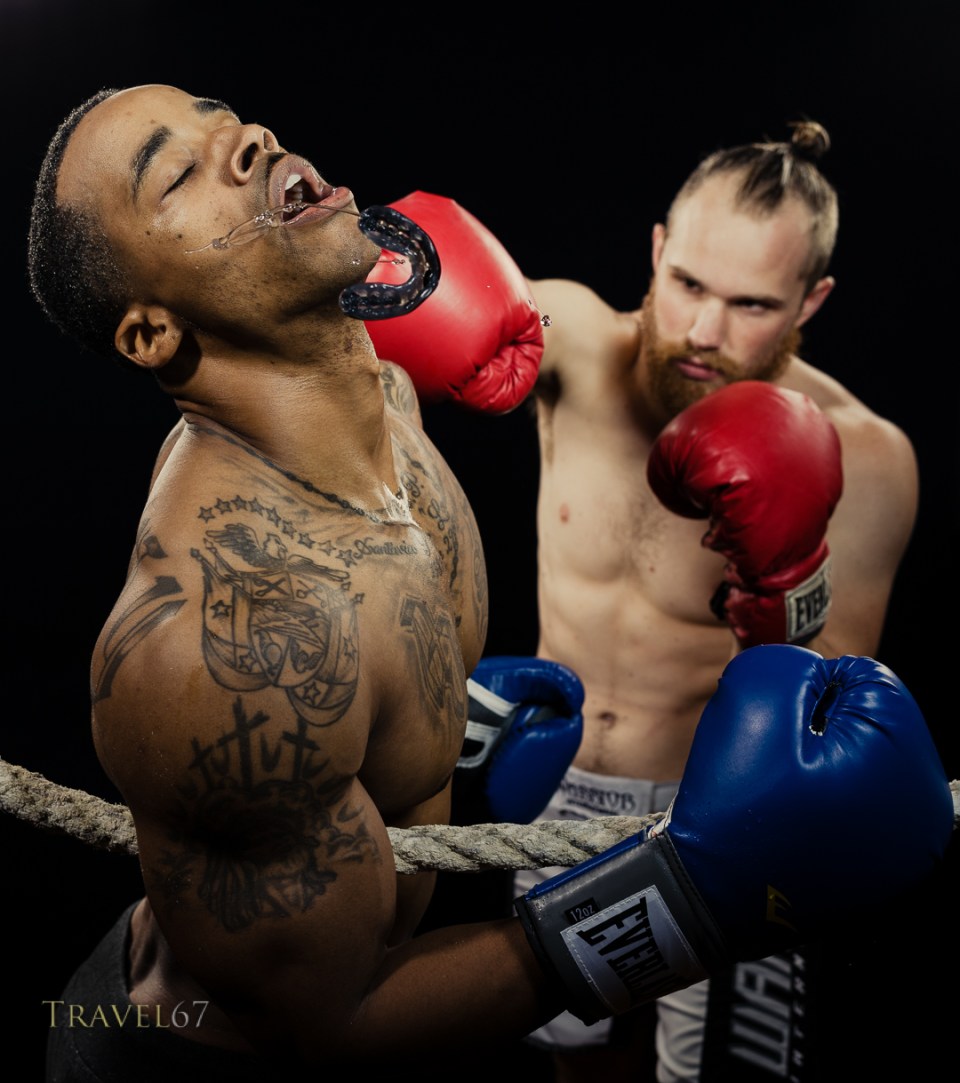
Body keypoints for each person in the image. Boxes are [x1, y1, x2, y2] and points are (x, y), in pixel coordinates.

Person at [27, 87, 952, 1082]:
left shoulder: (388, 414)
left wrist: (453, 747)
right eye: (177, 171)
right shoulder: (221, 645)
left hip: (686, 791)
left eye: (228, 119)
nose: (247, 140)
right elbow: (326, 1029)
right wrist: (686, 896)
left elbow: (833, 689)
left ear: (811, 304)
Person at [367, 124, 924, 1081]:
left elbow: (836, 705)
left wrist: (785, 582)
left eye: (752, 305)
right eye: (689, 284)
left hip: (723, 813)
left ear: (811, 301)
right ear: (657, 250)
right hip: (554, 792)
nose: (704, 330)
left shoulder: (866, 457)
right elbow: (372, 301)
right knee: (576, 1062)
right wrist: (387, 281)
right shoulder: (577, 341)